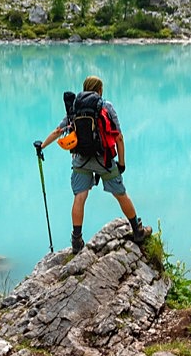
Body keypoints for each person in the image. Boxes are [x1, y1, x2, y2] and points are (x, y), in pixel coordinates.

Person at [34, 75, 151, 254]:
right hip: (103, 160)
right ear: (100, 90)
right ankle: (137, 231)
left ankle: (76, 241)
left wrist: (42, 146)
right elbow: (118, 136)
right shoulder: (105, 106)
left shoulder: (75, 107)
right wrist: (121, 163)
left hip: (80, 160)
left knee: (80, 197)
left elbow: (59, 131)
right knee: (121, 194)